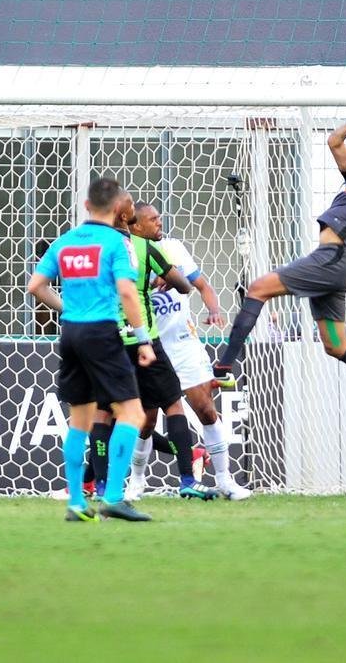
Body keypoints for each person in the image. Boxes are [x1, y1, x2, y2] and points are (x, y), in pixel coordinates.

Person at [212, 89, 346, 437]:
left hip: (334, 257)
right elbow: (335, 141)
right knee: (336, 345)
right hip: (331, 261)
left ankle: (223, 365)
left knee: (258, 288)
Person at [27, 177, 155, 522]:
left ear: (86, 206)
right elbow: (128, 293)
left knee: (79, 421)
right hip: (101, 332)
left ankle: (76, 504)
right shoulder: (117, 242)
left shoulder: (65, 242)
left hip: (70, 333)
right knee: (133, 413)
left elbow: (35, 285)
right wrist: (142, 339)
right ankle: (113, 496)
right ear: (118, 209)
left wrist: (66, 308)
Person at [126, 202, 252, 501]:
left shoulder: (174, 248)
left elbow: (199, 285)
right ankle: (137, 481)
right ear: (136, 226)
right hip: (151, 346)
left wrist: (214, 309)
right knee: (145, 421)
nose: (160, 223)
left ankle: (224, 479)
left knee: (206, 409)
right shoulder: (127, 254)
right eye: (153, 219)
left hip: (183, 343)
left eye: (160, 217)